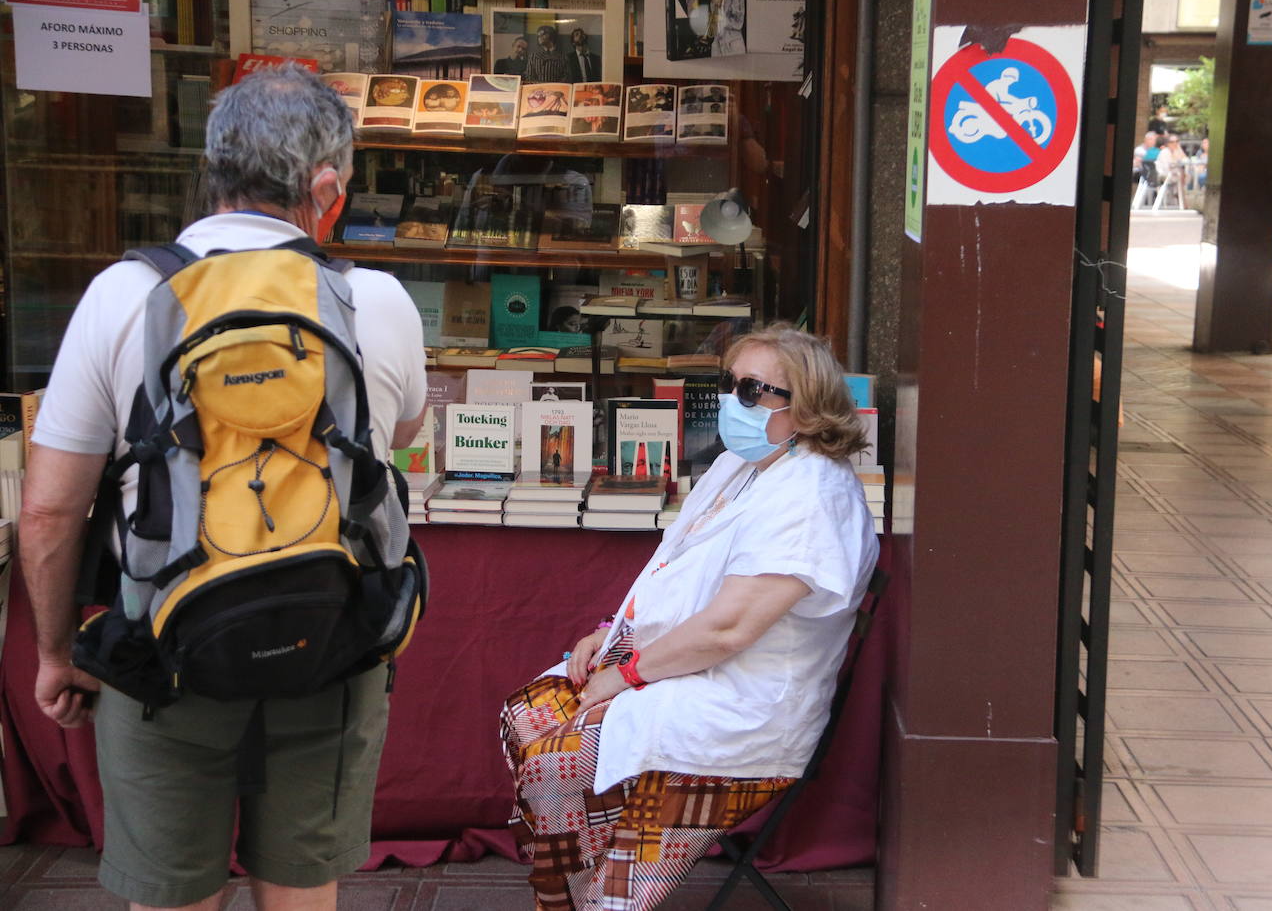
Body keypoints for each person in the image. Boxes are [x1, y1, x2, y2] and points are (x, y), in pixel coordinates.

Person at [19, 65, 427, 910]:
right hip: (331, 638)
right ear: (326, 187)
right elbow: (402, 435)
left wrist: (57, 652)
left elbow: (53, 507)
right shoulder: (378, 301)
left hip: (162, 650)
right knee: (302, 889)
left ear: (211, 170)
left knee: (171, 895)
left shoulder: (121, 295)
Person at [500, 324, 878, 911]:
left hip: (745, 702)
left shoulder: (811, 498)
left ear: (805, 410)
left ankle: (601, 895)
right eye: (729, 384)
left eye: (753, 392)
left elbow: (731, 627)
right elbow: (676, 572)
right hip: (687, 665)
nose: (733, 401)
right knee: (527, 714)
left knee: (556, 762)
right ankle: (581, 888)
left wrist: (626, 675)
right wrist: (612, 635)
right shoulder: (746, 465)